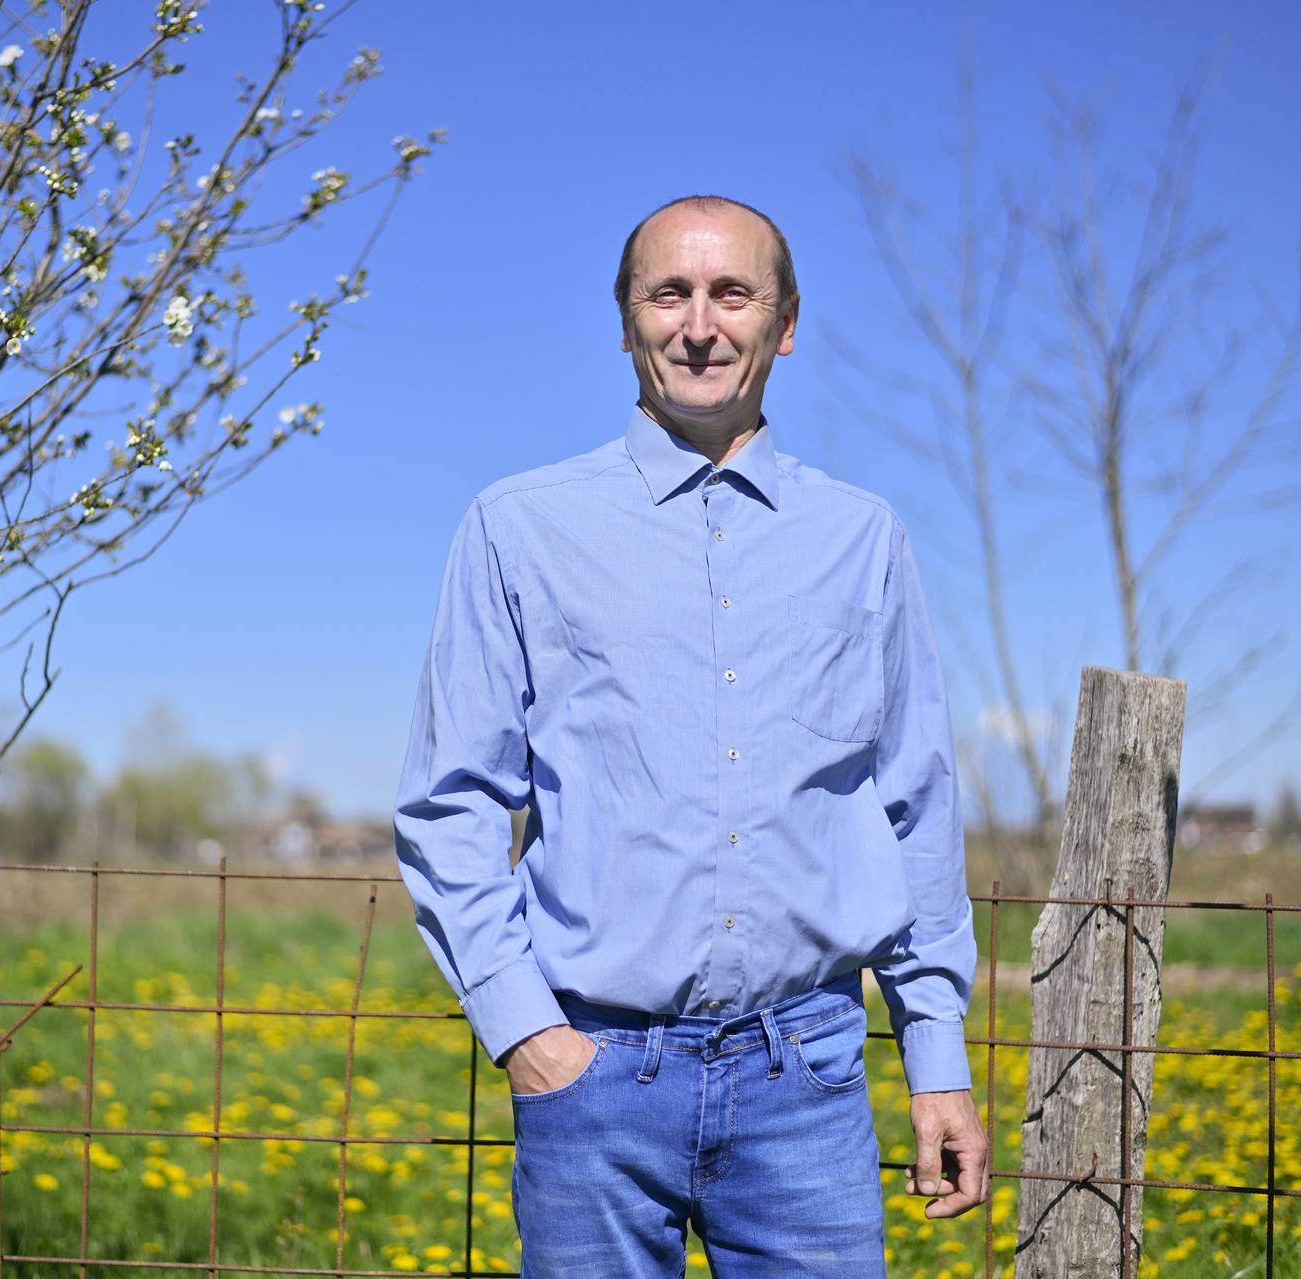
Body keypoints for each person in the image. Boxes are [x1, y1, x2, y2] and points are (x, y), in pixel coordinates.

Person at [392, 193, 988, 1276]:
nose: (700, 324)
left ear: (786, 322)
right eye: (669, 293)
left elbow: (914, 803)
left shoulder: (862, 541)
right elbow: (453, 804)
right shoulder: (519, 528)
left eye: (732, 293)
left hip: (806, 1077)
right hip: (594, 1081)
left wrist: (936, 1057)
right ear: (626, 323)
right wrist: (528, 1034)